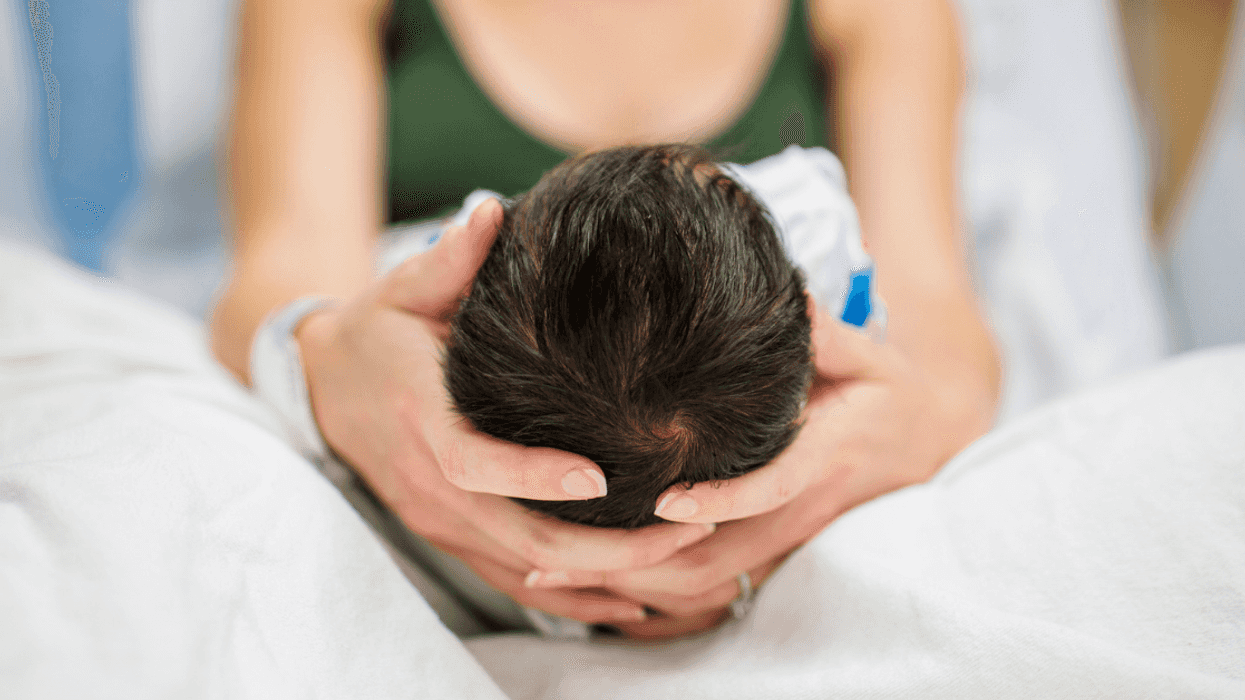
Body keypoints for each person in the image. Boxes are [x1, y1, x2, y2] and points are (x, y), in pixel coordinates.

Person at [213, 0, 1001, 639]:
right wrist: (330, 359)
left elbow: (935, 314)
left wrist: (904, 419)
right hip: (452, 412)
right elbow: (278, 276)